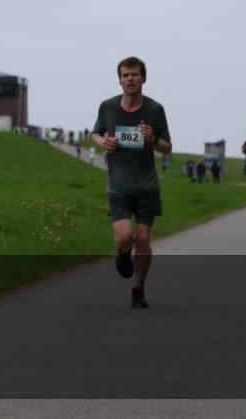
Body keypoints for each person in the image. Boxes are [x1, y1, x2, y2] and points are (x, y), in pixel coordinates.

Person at [92, 56, 172, 309]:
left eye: (134, 74)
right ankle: (123, 253)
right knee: (126, 236)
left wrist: (153, 139)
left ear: (143, 78)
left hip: (147, 186)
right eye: (125, 75)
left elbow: (167, 147)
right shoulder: (108, 107)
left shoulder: (155, 110)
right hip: (119, 185)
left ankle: (138, 290)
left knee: (144, 239)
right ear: (120, 80)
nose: (130, 79)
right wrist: (103, 142)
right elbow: (95, 133)